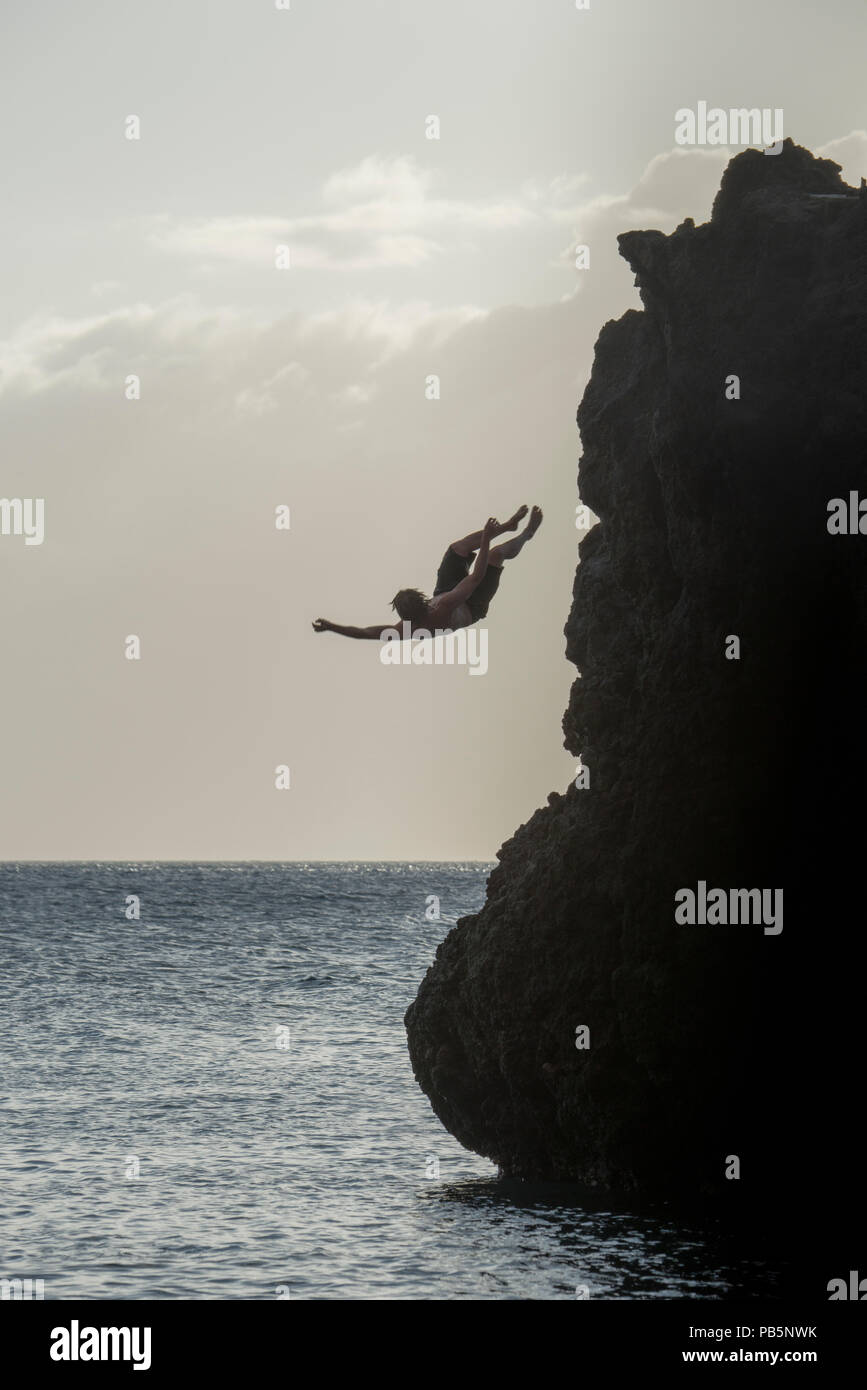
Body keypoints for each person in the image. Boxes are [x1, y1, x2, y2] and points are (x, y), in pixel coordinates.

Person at [312, 505, 542, 640]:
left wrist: (332, 627)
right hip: (473, 605)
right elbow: (476, 577)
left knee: (457, 549)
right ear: (423, 602)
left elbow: (366, 632)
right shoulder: (442, 607)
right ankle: (526, 535)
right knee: (494, 555)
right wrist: (484, 537)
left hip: (446, 589)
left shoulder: (404, 628)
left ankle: (506, 527)